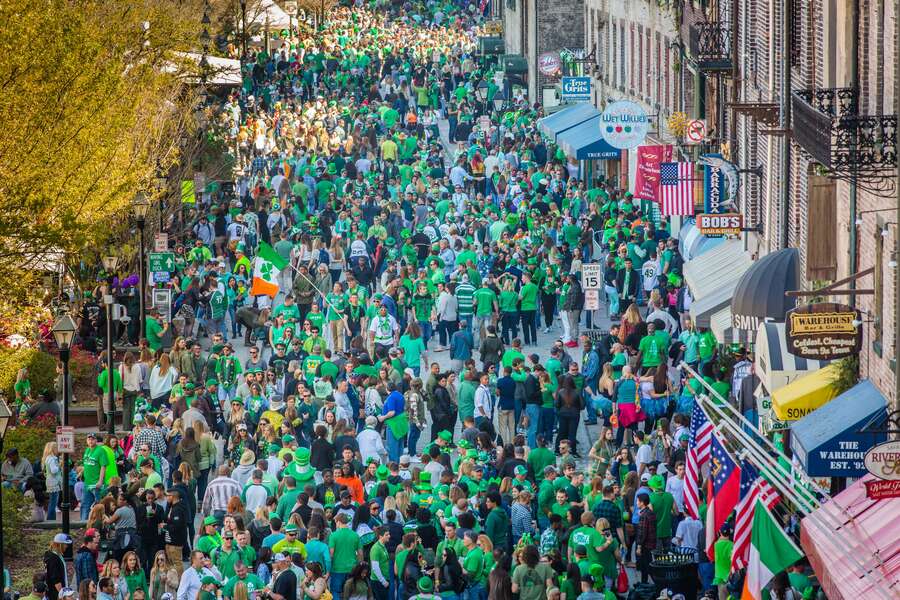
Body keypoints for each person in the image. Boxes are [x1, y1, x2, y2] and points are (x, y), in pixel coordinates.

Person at [44, 533, 73, 600]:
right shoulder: (53, 558)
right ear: (60, 545)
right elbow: (56, 580)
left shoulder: (56, 555)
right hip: (56, 594)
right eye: (65, 544)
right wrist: (63, 595)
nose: (67, 546)